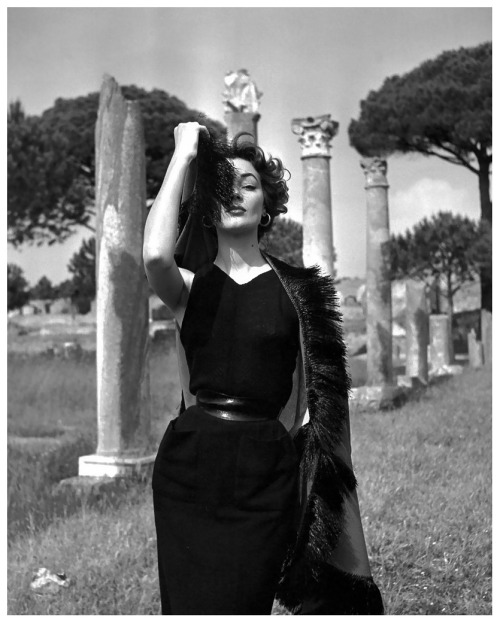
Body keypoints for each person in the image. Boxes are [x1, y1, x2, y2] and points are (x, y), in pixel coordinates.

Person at [143, 122, 384, 615]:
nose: (235, 194)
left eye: (248, 185)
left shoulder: (300, 294)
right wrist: (184, 155)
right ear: (206, 206)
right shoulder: (190, 286)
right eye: (223, 187)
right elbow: (153, 254)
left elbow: (323, 408)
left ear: (266, 207)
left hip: (266, 472)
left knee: (245, 605)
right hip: (188, 469)